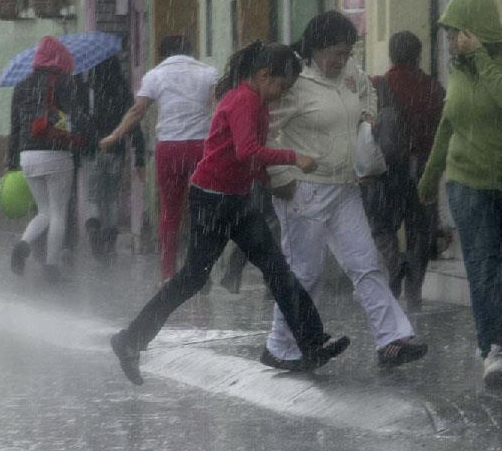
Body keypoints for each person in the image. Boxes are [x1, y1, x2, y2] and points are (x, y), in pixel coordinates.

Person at [109, 42, 350, 385]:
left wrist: (271, 184)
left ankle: (312, 342)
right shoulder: (244, 101)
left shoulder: (257, 102)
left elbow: (247, 159)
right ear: (264, 75)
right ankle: (130, 339)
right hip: (213, 200)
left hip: (235, 200)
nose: (283, 94)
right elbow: (246, 149)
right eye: (282, 86)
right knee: (194, 278)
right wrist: (292, 158)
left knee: (276, 269)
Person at [264, 11, 428, 370]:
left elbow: (368, 90)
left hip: (345, 188)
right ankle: (281, 345)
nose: (343, 60)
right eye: (336, 52)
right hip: (302, 191)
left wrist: (369, 115)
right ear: (316, 48)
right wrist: (281, 177)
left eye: (348, 52)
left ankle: (391, 340)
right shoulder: (295, 81)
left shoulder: (350, 71)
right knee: (305, 272)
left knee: (367, 264)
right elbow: (265, 132)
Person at [417, 0, 502, 385]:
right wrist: (431, 175)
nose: (450, 40)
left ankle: (491, 338)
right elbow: (448, 124)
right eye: (448, 33)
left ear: (477, 29)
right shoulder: (459, 69)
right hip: (466, 180)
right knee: (484, 264)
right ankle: (495, 350)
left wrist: (482, 57)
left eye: (455, 31)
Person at [100, 36, 218, 280]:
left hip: (169, 149)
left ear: (163, 53)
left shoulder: (155, 75)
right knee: (203, 210)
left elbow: (137, 111)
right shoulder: (208, 73)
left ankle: (168, 272)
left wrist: (115, 135)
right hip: (202, 149)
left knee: (169, 209)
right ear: (191, 50)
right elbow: (219, 107)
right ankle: (200, 269)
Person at [364, 31, 445, 312]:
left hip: (389, 169)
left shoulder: (379, 86)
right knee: (420, 232)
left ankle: (395, 264)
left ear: (391, 54)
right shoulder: (434, 88)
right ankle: (414, 295)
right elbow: (443, 130)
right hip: (424, 168)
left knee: (380, 225)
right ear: (418, 55)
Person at [7, 36, 90, 281]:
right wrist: (92, 136)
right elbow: (77, 117)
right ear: (60, 58)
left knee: (43, 211)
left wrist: (11, 161)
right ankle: (52, 268)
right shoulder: (64, 82)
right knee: (58, 212)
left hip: (27, 155)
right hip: (56, 153)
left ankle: (22, 244)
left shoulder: (21, 85)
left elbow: (14, 126)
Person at [81, 57, 145, 260]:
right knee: (110, 198)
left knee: (92, 197)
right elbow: (134, 123)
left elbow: (78, 121)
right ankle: (109, 241)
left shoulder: (87, 91)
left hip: (92, 149)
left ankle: (93, 232)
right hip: (116, 151)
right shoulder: (122, 92)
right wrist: (139, 155)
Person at [219, 181, 277, 296]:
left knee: (259, 231)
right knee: (263, 231)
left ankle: (232, 275)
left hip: (268, 182)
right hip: (269, 182)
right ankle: (272, 282)